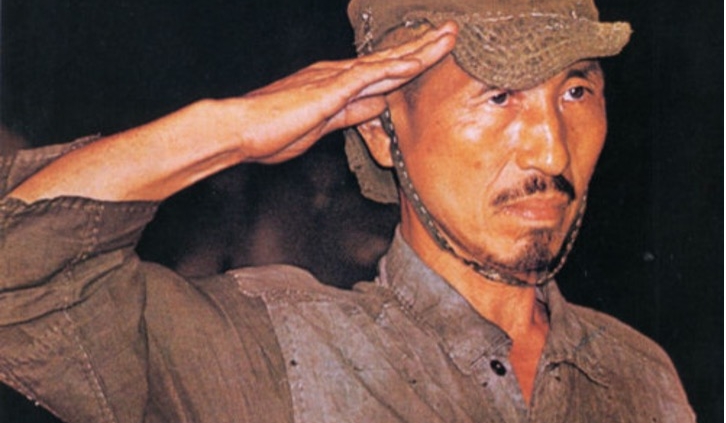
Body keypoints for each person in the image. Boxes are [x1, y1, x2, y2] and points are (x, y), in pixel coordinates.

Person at [0, 0, 696, 421]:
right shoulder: (273, 353)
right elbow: (19, 287)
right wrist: (230, 127)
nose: (551, 147)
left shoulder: (639, 375)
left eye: (575, 92)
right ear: (382, 132)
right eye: (498, 95)